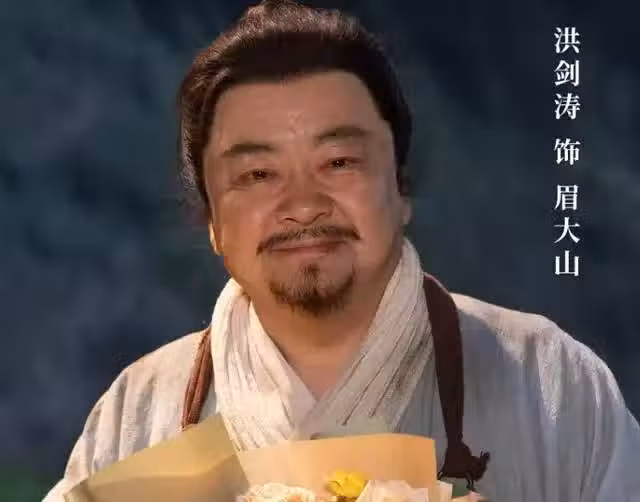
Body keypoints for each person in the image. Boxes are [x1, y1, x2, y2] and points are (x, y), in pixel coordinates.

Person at [43, 1, 640, 501]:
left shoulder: (550, 384)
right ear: (214, 223)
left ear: (400, 188)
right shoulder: (140, 410)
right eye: (257, 175)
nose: (303, 205)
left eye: (338, 162)